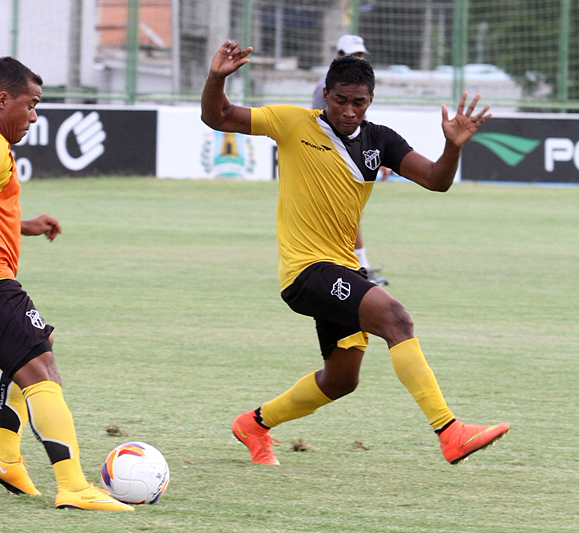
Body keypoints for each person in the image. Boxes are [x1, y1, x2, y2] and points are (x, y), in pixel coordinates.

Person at [201, 41, 509, 466]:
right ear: (325, 96)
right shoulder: (292, 122)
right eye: (341, 101)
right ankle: (450, 432)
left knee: (342, 380)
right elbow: (216, 116)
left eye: (358, 103)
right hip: (306, 271)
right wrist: (218, 77)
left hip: (344, 270)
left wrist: (453, 145)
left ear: (370, 101)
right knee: (397, 319)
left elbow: (437, 180)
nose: (349, 111)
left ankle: (254, 424)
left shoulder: (380, 141)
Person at [0, 57, 132, 511]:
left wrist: (24, 225)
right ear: (2, 99)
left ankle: (5, 455)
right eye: (31, 104)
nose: (35, 116)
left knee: (35, 344)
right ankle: (73, 486)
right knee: (42, 369)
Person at [313, 34, 388, 287]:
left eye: (360, 56)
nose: (357, 60)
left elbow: (362, 130)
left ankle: (357, 267)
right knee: (344, 215)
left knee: (348, 215)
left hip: (347, 159)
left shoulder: (358, 86)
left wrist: (379, 156)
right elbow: (319, 126)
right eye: (351, 55)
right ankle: (356, 269)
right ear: (337, 56)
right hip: (331, 161)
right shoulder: (327, 85)